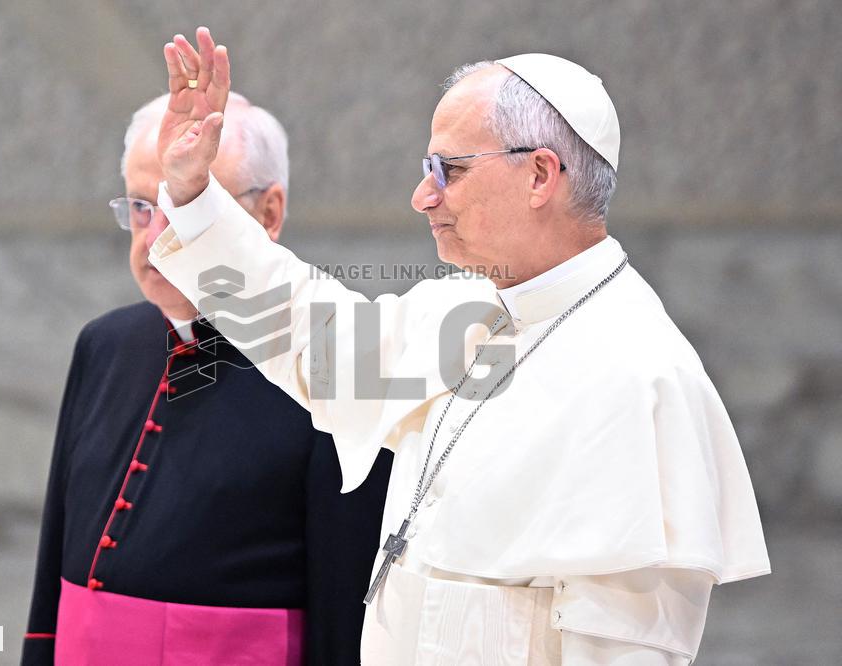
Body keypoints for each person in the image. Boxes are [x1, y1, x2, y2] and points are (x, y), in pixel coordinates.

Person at [143, 28, 771, 665]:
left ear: (540, 175)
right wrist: (195, 198)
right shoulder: (469, 307)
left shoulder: (639, 378)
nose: (423, 197)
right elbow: (314, 337)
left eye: (450, 170)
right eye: (426, 169)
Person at [22, 91, 392, 665]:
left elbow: (346, 605)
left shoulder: (332, 362)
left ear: (268, 214)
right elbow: (54, 573)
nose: (155, 239)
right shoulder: (104, 344)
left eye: (191, 208)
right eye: (142, 207)